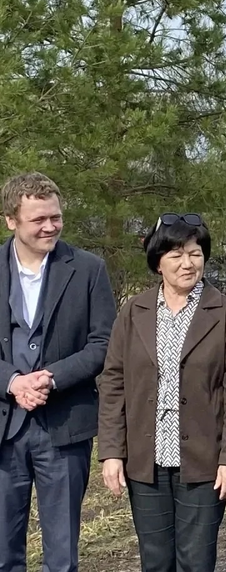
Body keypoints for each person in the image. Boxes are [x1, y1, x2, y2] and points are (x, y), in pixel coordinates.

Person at [98, 213, 226, 572]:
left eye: (195, 254)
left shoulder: (225, 313)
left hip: (203, 462)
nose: (188, 263)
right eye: (177, 255)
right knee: (155, 561)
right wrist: (111, 452)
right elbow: (113, 383)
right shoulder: (134, 312)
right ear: (158, 263)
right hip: (146, 462)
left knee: (196, 561)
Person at [0, 172, 116, 571]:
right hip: (4, 431)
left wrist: (51, 377)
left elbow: (103, 343)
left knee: (62, 557)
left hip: (65, 429)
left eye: (56, 217)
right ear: (11, 220)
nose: (50, 226)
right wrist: (13, 382)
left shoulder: (88, 269)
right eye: (39, 219)